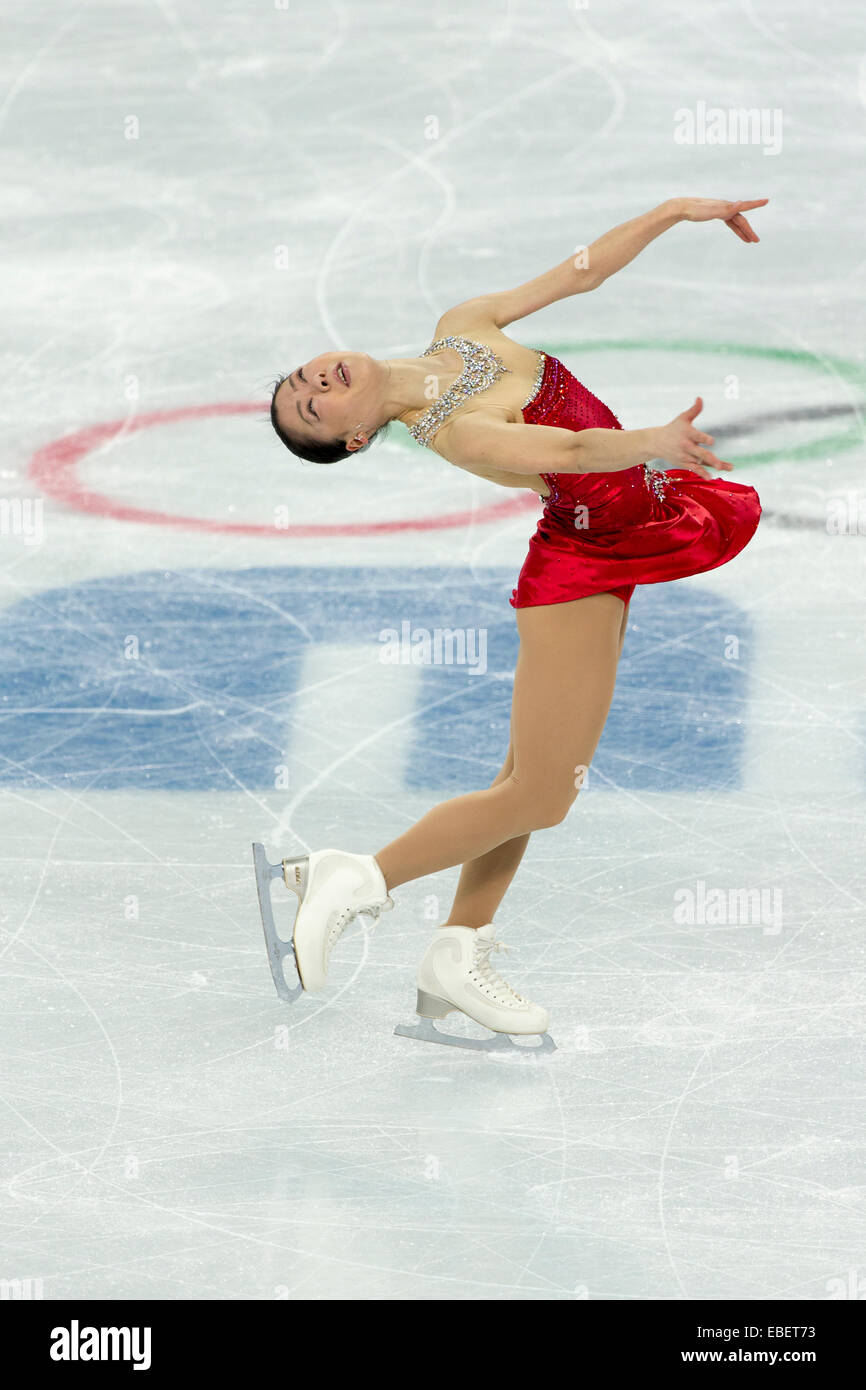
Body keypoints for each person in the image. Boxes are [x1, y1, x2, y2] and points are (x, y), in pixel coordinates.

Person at [263, 195, 767, 1042]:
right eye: (312, 407)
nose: (316, 383)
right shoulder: (458, 431)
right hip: (580, 566)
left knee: (522, 784)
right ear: (353, 441)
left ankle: (456, 952)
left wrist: (677, 211)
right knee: (542, 793)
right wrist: (651, 440)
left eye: (304, 377)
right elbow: (569, 454)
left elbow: (582, 271)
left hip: (625, 537)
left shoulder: (461, 327)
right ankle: (354, 878)